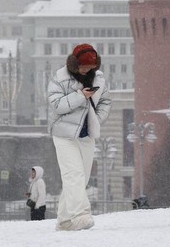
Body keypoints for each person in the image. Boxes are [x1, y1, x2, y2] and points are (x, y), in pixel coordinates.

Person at [48, 43, 111, 231]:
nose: (86, 70)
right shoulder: (59, 78)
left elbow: (105, 102)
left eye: (90, 67)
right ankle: (80, 216)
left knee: (81, 178)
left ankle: (64, 221)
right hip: (64, 134)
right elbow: (57, 105)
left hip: (86, 134)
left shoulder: (99, 79)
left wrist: (96, 120)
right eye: (83, 67)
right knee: (73, 174)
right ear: (75, 64)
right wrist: (80, 96)